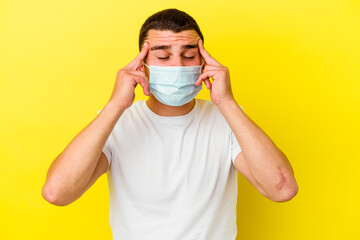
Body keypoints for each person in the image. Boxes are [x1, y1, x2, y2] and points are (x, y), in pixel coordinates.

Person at [42, 8, 298, 240]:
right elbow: (57, 193)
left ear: (203, 63)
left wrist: (227, 103)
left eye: (188, 55)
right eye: (163, 57)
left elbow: (282, 189)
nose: (177, 66)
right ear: (142, 65)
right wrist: (114, 106)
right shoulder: (117, 122)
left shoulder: (227, 119)